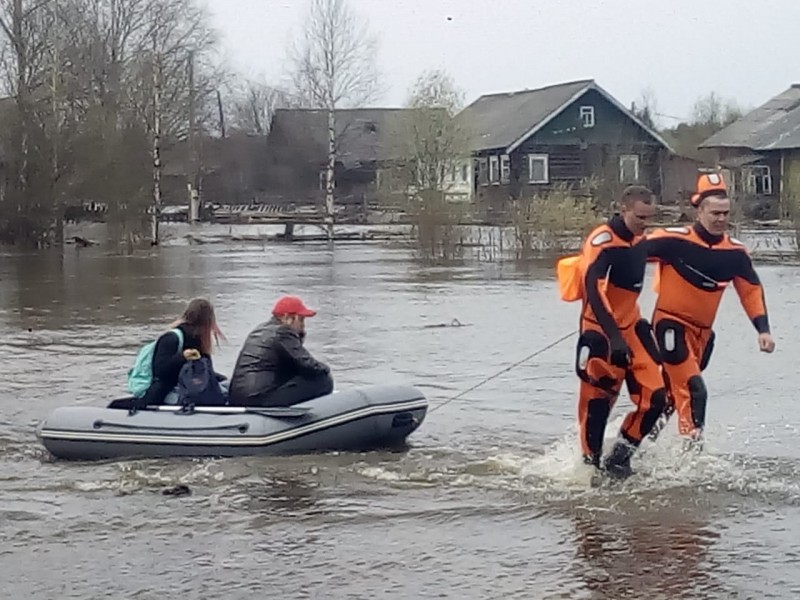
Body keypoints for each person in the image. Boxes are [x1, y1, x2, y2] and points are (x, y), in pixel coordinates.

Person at [644, 173, 776, 446]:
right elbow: (627, 254)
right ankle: (690, 461)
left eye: (725, 213)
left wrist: (763, 330)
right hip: (669, 325)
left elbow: (750, 290)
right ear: (699, 211)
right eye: (714, 213)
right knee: (695, 391)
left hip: (702, 335)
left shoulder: (735, 253)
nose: (720, 219)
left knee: (670, 397)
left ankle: (632, 445)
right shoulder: (673, 240)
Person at [558, 185, 669, 479]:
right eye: (640, 218)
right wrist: (613, 336)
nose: (644, 224)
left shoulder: (641, 240)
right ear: (624, 209)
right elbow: (594, 290)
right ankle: (589, 467)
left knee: (656, 396)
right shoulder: (603, 240)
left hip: (632, 324)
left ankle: (620, 455)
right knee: (598, 403)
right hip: (600, 328)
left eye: (649, 218)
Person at [228, 295, 333, 407]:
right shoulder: (283, 331)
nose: (303, 326)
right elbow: (308, 365)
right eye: (301, 319)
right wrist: (326, 368)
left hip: (238, 397)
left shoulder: (260, 329)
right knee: (323, 380)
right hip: (258, 398)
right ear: (287, 317)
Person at [136, 297, 226, 408]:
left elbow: (204, 373)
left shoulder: (199, 342)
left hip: (187, 388)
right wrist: (182, 357)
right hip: (166, 393)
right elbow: (160, 372)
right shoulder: (172, 338)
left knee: (226, 386)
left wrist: (222, 379)